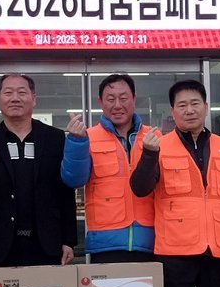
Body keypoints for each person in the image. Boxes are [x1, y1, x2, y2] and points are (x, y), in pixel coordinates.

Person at [130, 79, 220, 287]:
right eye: (182, 105)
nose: (189, 110)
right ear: (173, 111)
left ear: (206, 106)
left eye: (195, 103)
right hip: (175, 253)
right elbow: (139, 188)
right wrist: (148, 155)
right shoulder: (158, 146)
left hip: (217, 251)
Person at [0, 73, 77, 267]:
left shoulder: (55, 138)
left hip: (47, 241)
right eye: (8, 93)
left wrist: (68, 240)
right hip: (0, 243)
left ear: (33, 99)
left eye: (22, 92)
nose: (15, 98)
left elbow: (65, 191)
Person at [60, 74, 155, 262]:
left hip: (151, 240)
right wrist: (76, 143)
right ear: (100, 102)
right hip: (105, 243)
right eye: (111, 99)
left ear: (134, 99)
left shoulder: (154, 137)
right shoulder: (87, 137)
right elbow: (74, 180)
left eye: (123, 98)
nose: (117, 105)